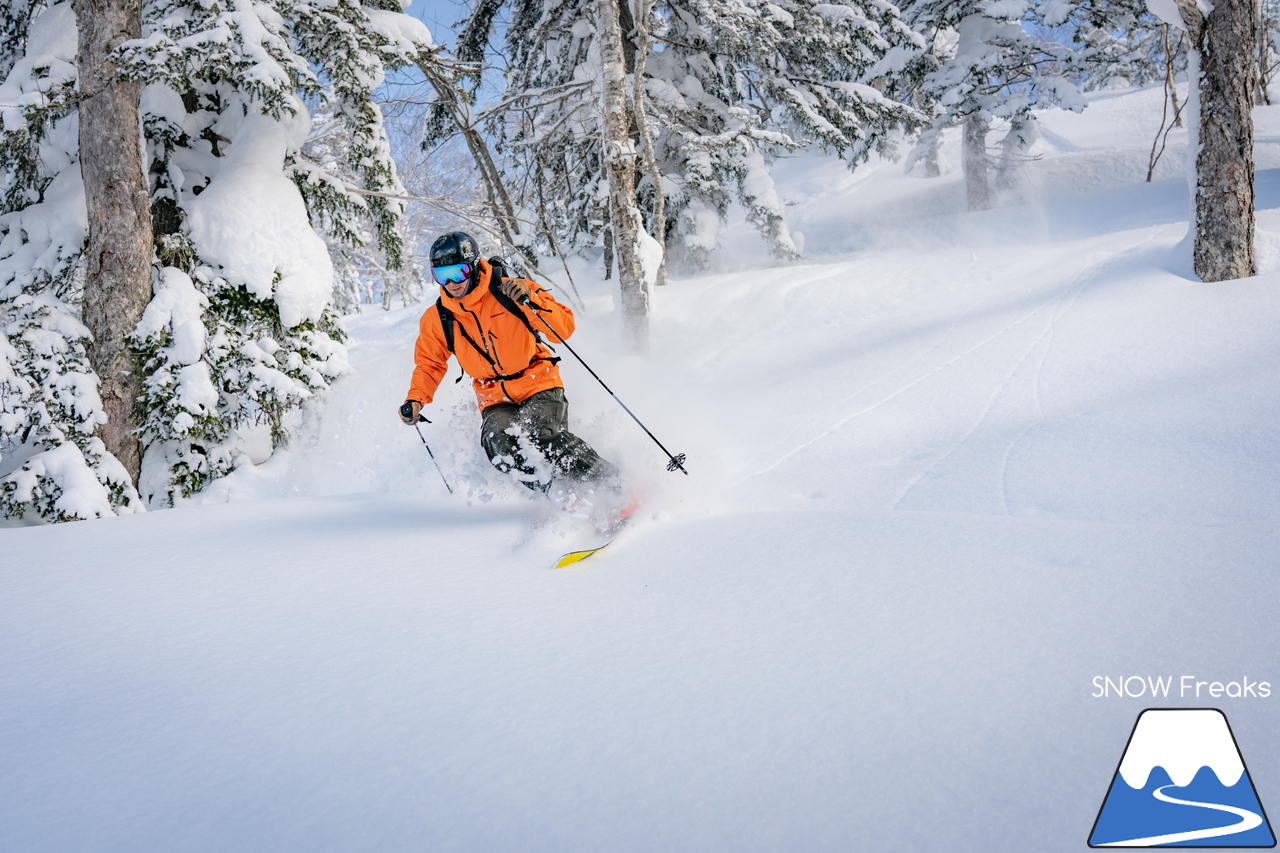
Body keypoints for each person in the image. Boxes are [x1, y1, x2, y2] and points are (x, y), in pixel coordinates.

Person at [400, 231, 622, 505]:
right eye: (442, 275)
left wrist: (532, 300)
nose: (451, 283)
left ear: (472, 265)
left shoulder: (511, 290)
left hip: (537, 380)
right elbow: (430, 363)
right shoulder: (438, 317)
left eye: (457, 272)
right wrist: (416, 398)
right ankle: (561, 495)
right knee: (499, 447)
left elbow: (564, 327)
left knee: (542, 437)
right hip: (494, 396)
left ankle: (616, 485)